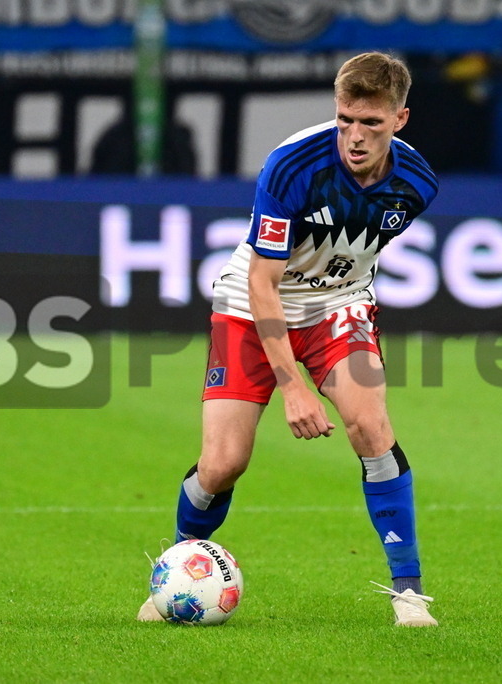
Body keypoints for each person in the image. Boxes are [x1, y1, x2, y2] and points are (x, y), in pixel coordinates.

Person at [137, 51, 440, 627]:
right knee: (224, 464)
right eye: (346, 118)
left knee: (372, 428)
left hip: (338, 306)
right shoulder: (292, 167)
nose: (354, 136)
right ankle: (177, 567)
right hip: (249, 306)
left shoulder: (417, 185)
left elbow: (355, 260)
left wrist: (339, 306)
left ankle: (409, 593)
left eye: (371, 123)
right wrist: (294, 386)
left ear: (399, 120)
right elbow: (262, 280)